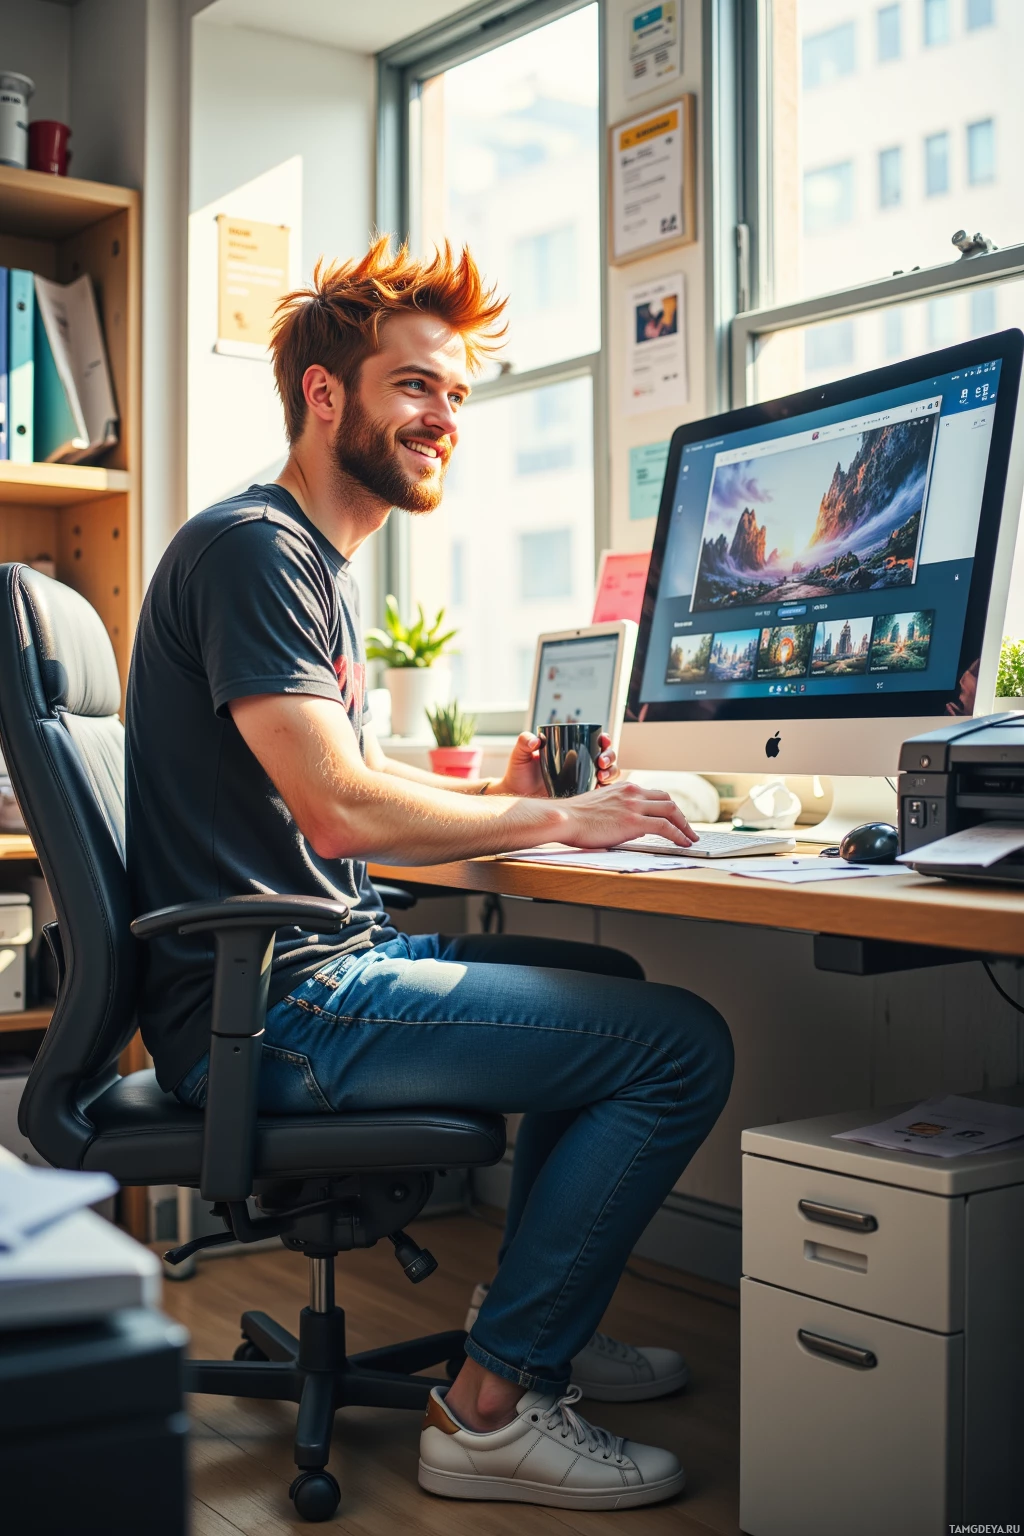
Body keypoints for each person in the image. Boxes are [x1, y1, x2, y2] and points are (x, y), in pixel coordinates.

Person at [125, 238, 733, 1512]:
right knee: (674, 1046)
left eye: (456, 394)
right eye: (414, 387)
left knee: (609, 979)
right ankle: (493, 1406)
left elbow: (336, 782)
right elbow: (338, 811)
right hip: (280, 1006)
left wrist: (509, 798)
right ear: (325, 396)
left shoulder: (309, 562)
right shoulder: (256, 549)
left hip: (304, 972)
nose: (444, 417)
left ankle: (529, 1322)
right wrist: (558, 812)